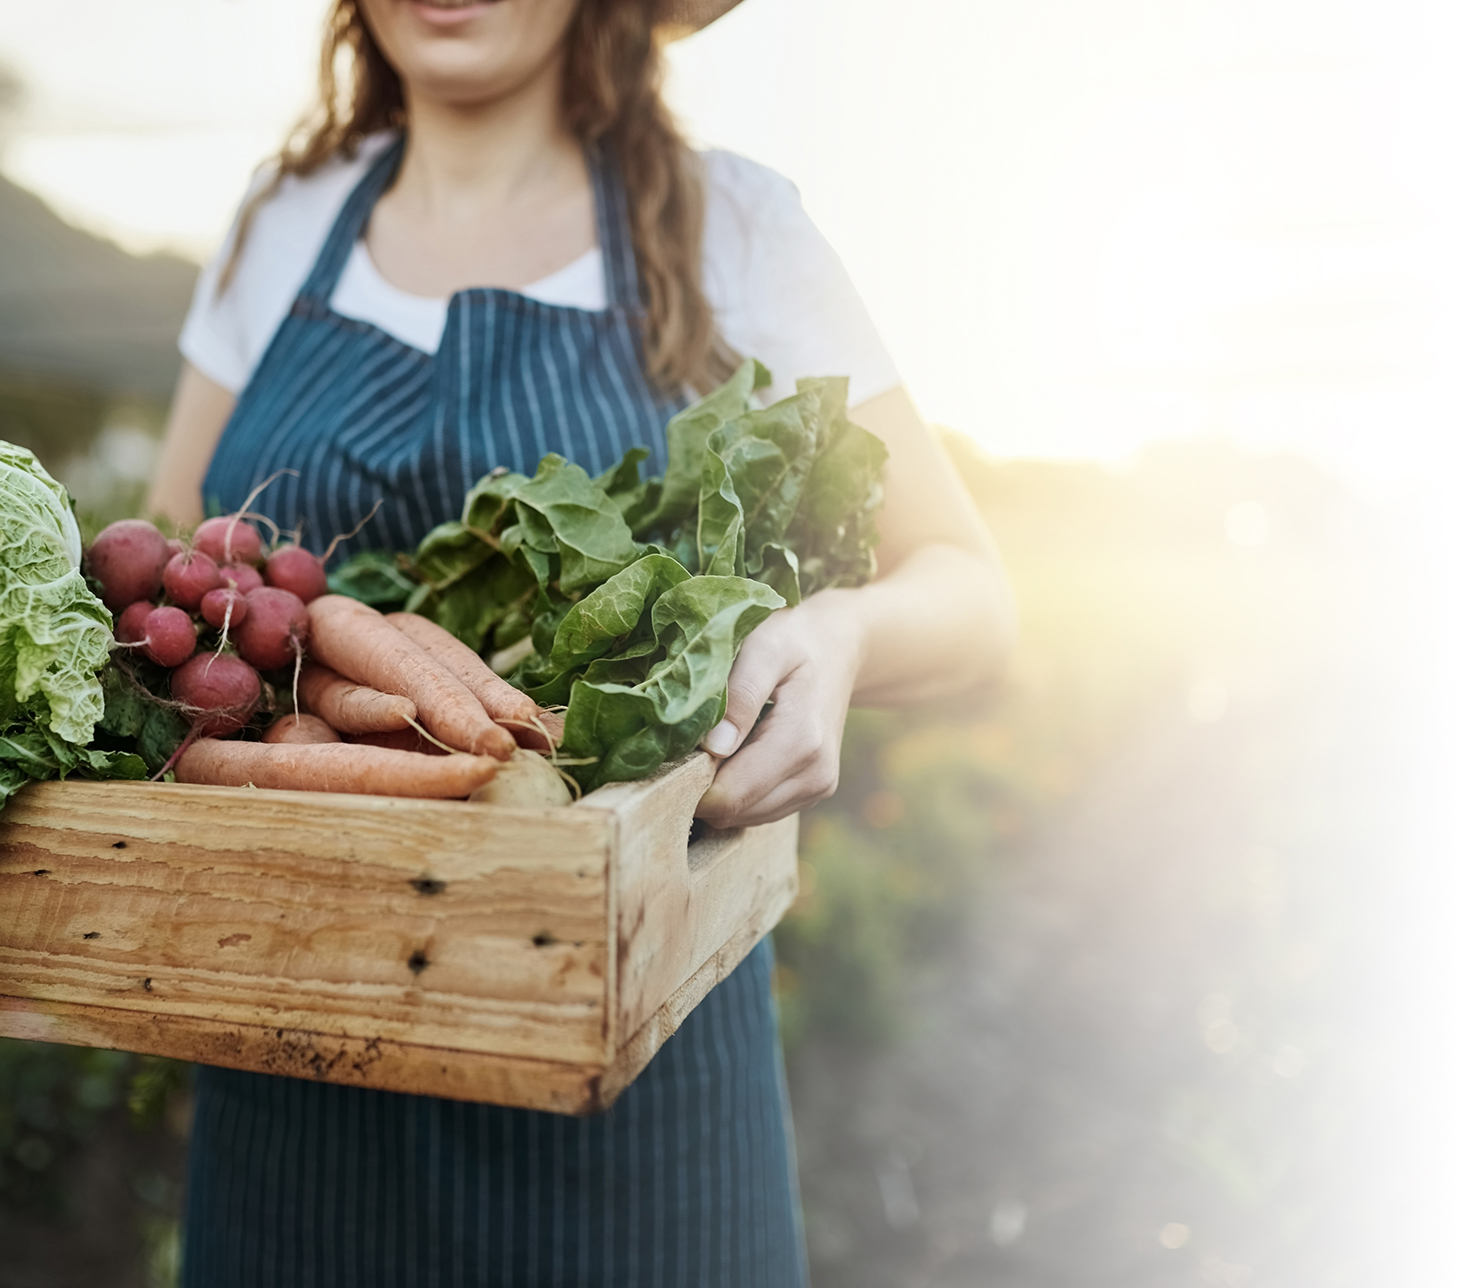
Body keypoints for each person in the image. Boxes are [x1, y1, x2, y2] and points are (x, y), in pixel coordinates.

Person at [145, 0, 1014, 1281]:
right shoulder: (284, 219)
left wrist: (839, 635)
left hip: (640, 1078)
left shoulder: (740, 230)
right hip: (297, 1060)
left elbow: (974, 594)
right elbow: (172, 569)